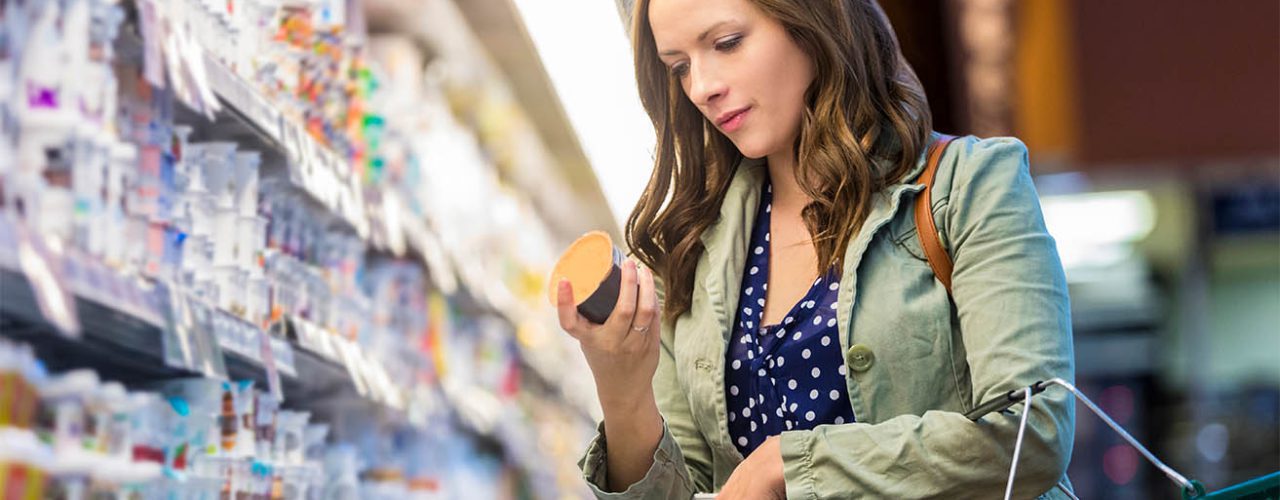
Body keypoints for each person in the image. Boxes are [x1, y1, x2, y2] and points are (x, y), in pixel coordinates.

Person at [553, 0, 1076, 497]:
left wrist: (791, 465)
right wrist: (621, 391)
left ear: (810, 19)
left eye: (728, 42)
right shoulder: (688, 250)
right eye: (679, 67)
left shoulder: (968, 188)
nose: (702, 87)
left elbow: (1033, 431)